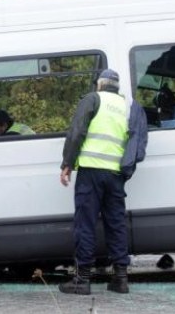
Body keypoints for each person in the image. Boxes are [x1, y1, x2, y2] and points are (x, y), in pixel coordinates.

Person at [58, 69, 148, 296]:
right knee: (116, 224)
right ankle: (120, 279)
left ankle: (82, 280)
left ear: (99, 84)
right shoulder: (127, 106)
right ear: (116, 86)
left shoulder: (93, 99)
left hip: (91, 172)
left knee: (85, 223)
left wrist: (67, 163)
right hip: (116, 175)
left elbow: (77, 132)